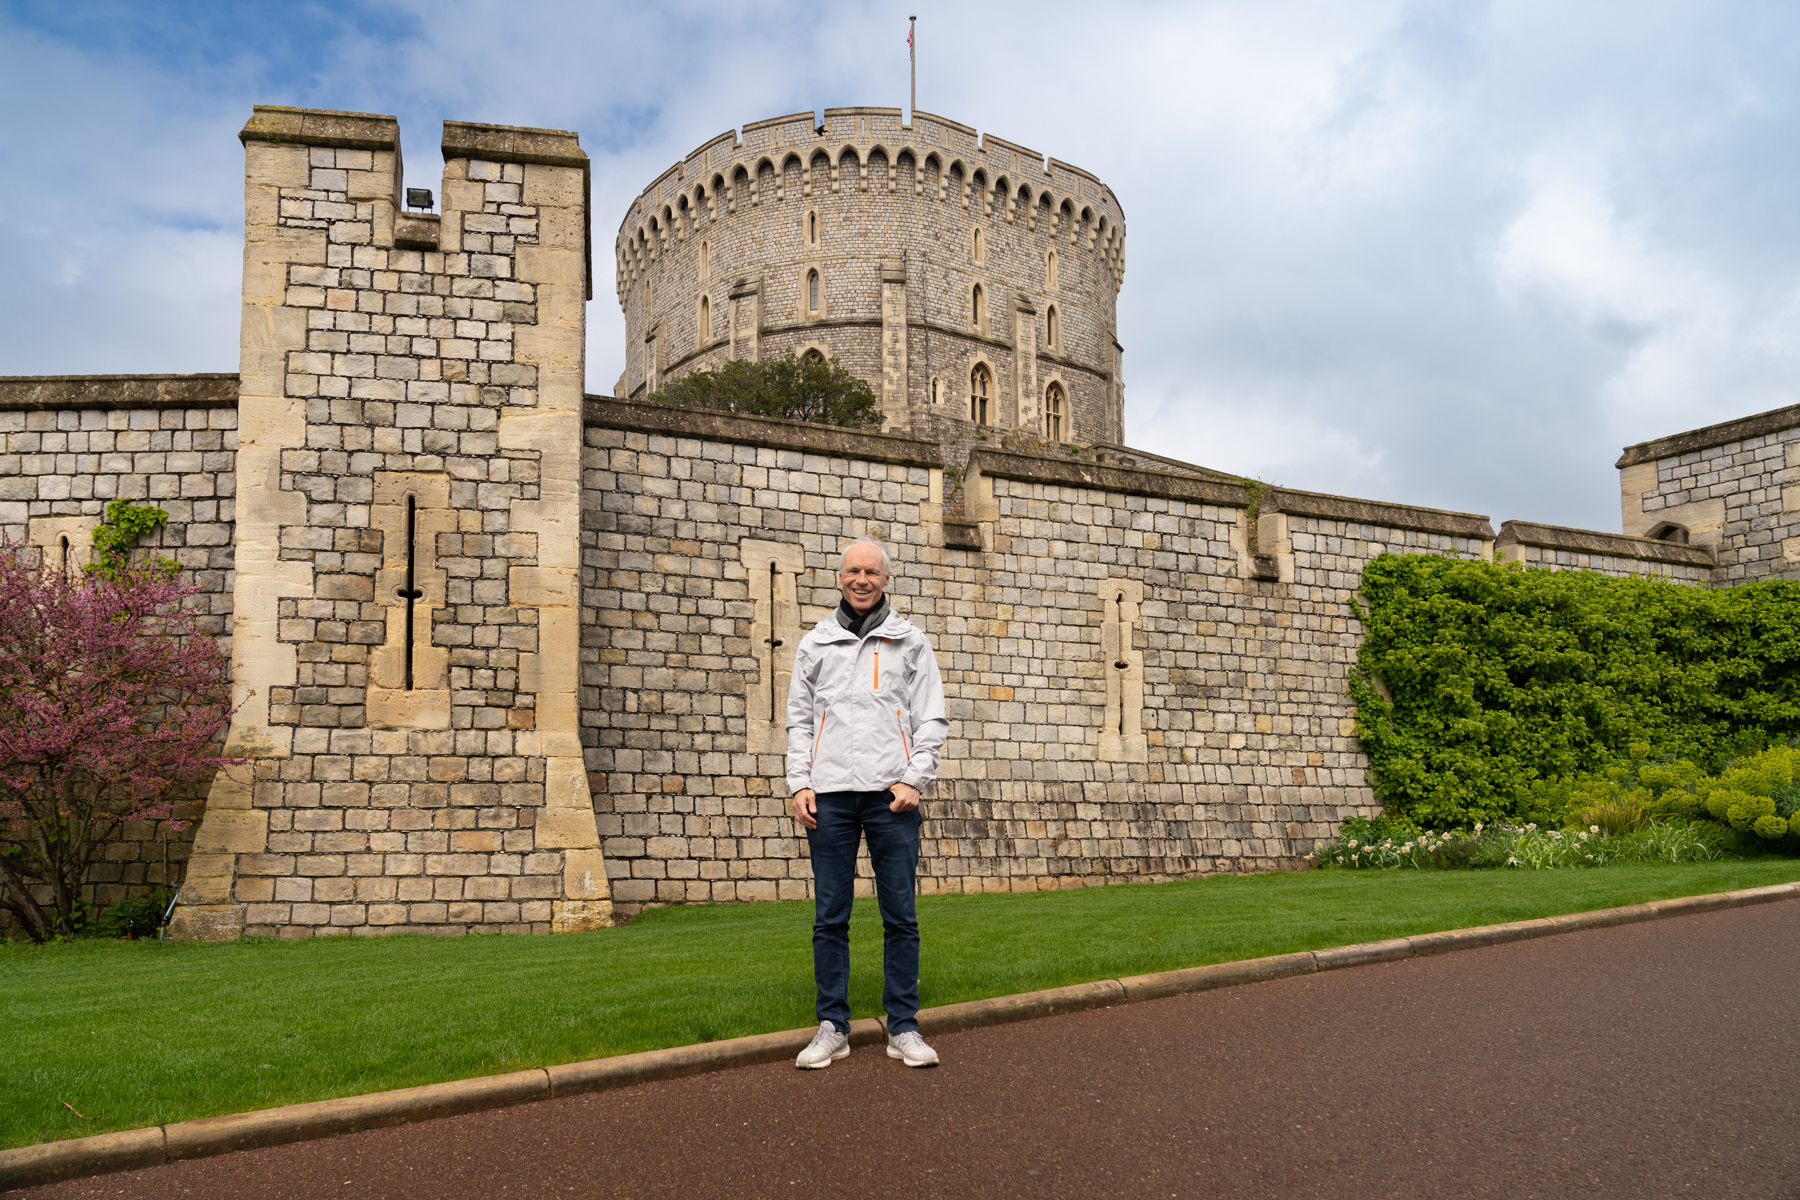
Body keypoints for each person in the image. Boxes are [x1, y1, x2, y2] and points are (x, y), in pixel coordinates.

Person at [787, 535, 949, 1069]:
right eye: (852, 571)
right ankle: (832, 1025)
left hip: (890, 799)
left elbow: (931, 719)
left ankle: (903, 1026)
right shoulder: (815, 644)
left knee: (900, 915)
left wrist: (913, 780)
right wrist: (799, 783)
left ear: (885, 579)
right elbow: (799, 722)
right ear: (840, 577)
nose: (861, 580)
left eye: (871, 572)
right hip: (828, 798)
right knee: (830, 916)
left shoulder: (911, 642)